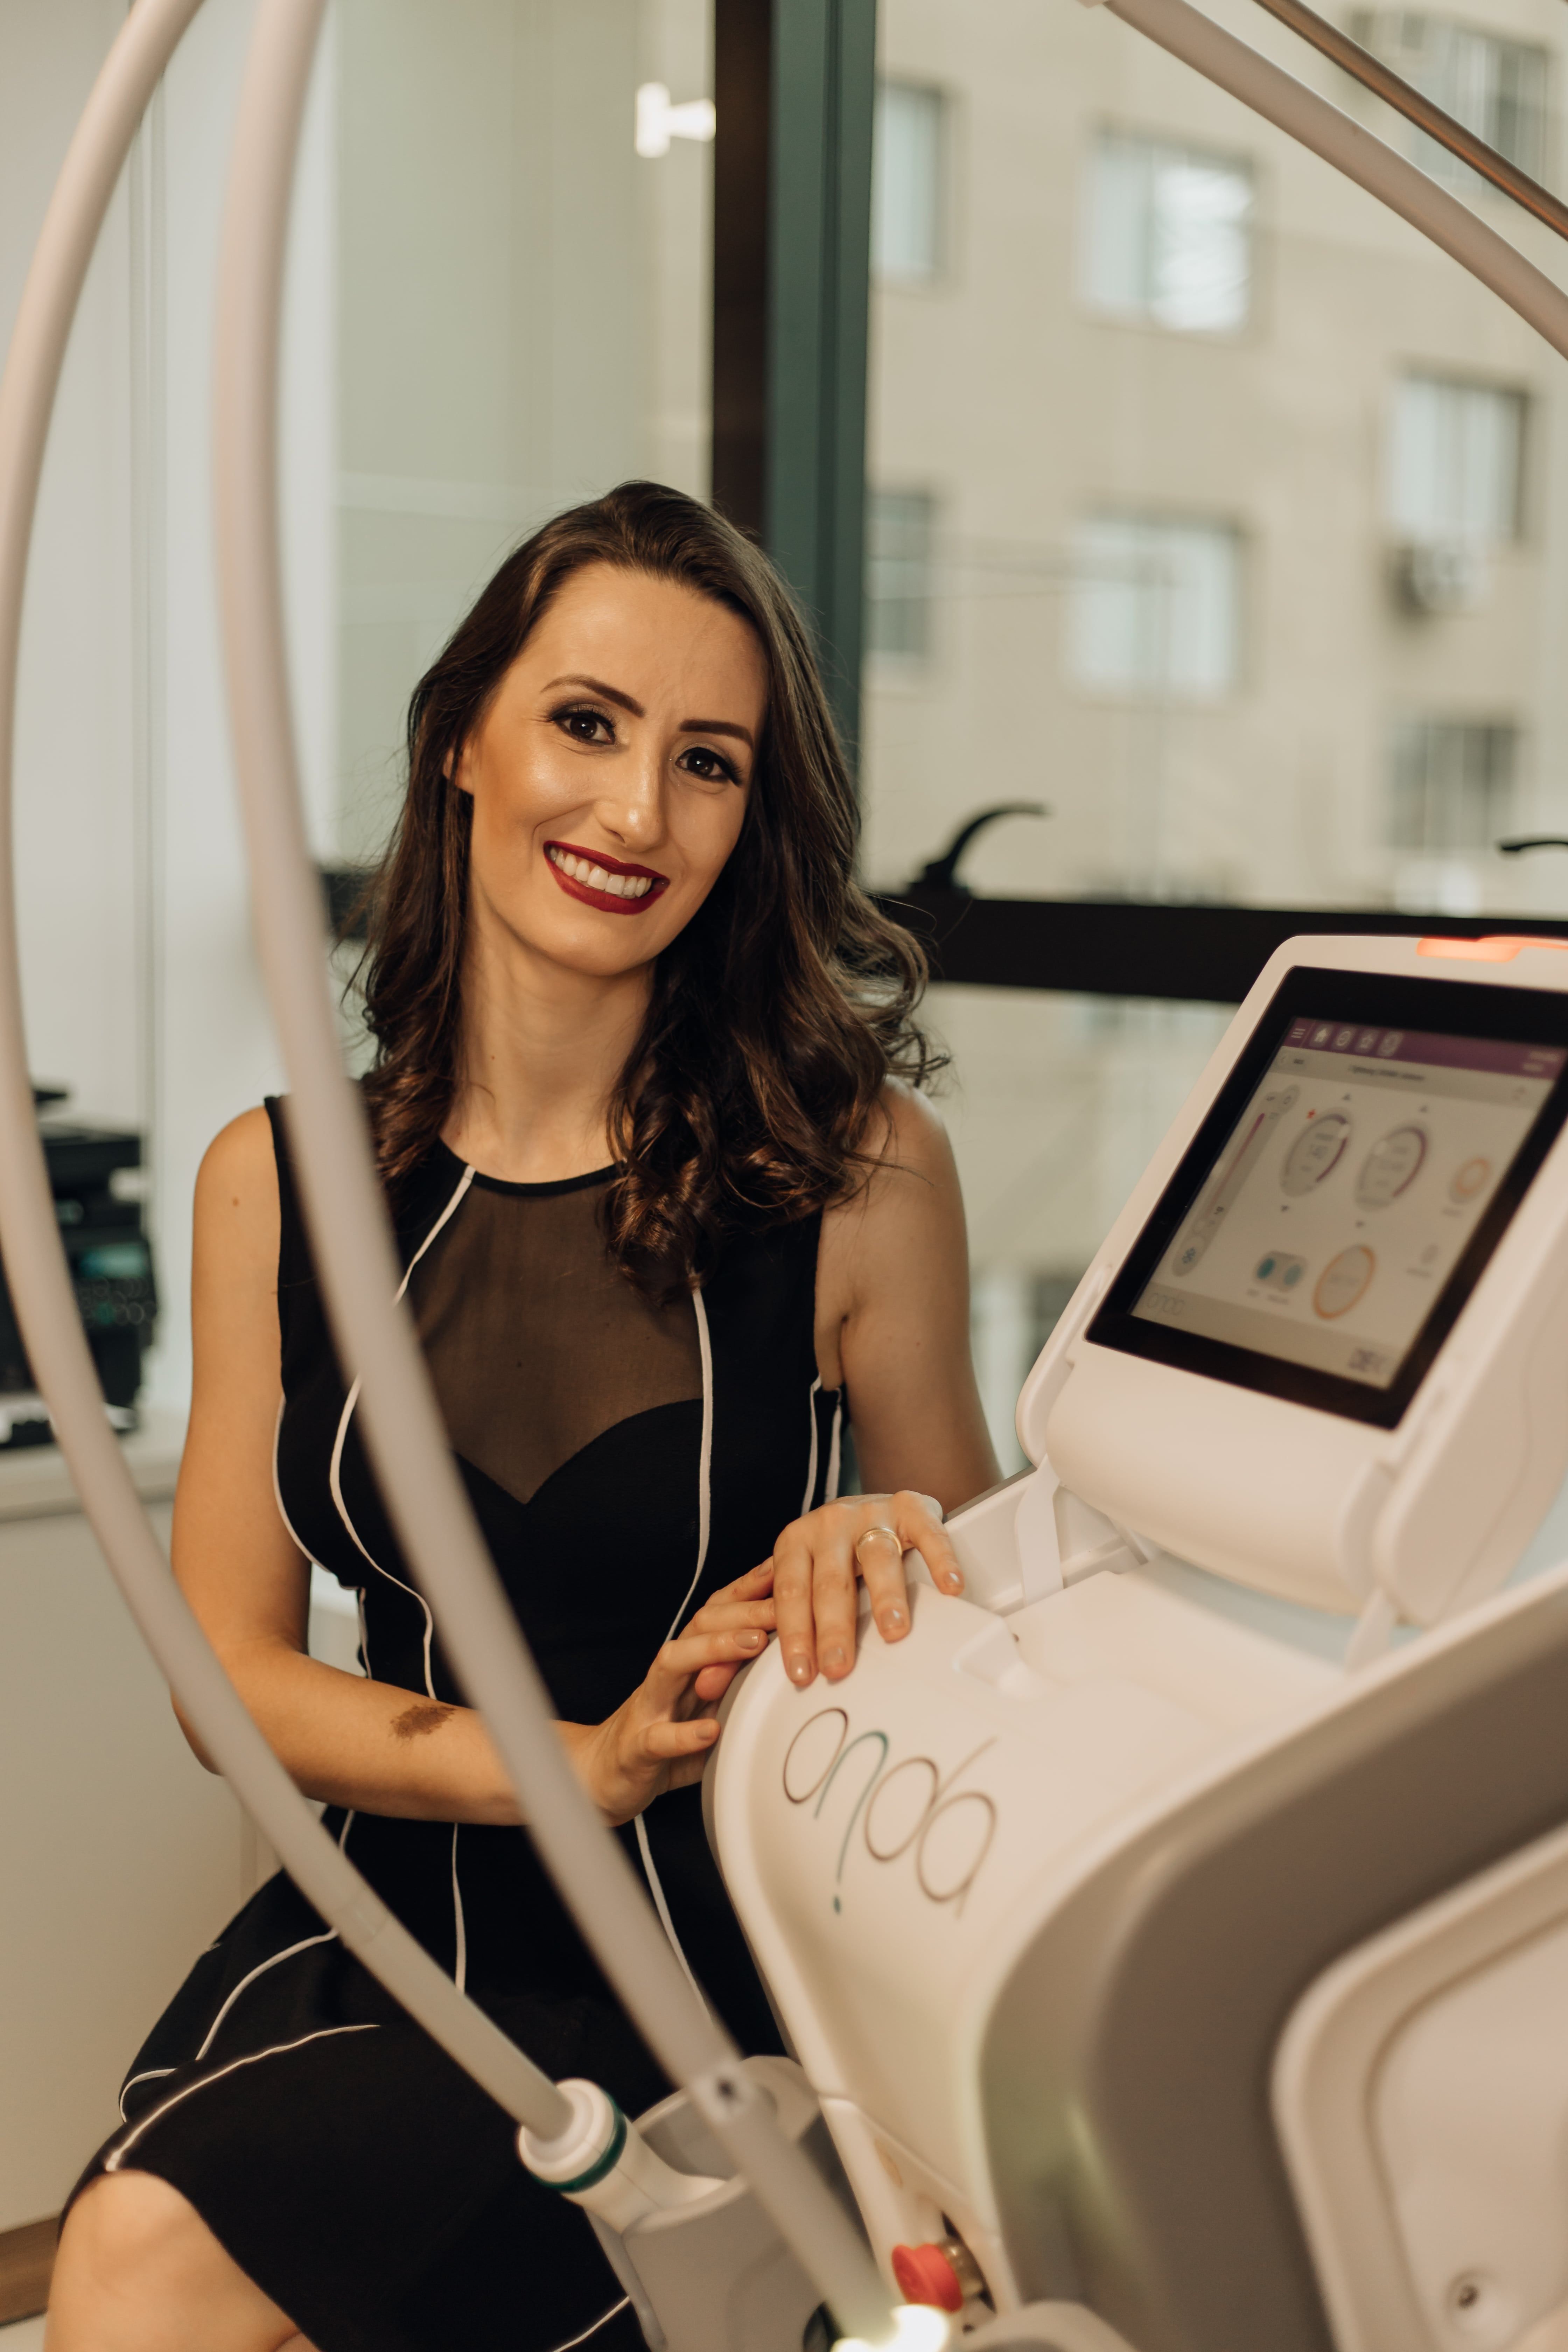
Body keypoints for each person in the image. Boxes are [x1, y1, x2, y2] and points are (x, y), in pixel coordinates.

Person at [47, 482, 1000, 2352]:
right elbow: (229, 1683)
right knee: (144, 2253)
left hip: (718, 1957)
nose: (637, 814)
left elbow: (987, 1621)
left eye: (706, 763)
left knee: (141, 2265)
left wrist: (882, 1542)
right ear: (461, 743)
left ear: (752, 823)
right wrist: (575, 1762)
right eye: (586, 724)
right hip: (397, 1913)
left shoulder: (861, 1174)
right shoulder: (277, 1183)